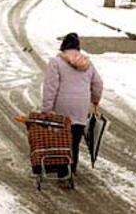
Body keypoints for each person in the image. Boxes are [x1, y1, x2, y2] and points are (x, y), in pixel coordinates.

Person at [41, 32, 103, 177]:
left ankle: (63, 172)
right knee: (74, 140)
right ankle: (72, 169)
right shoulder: (87, 63)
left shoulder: (56, 62)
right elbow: (98, 84)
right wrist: (95, 100)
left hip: (63, 106)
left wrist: (46, 109)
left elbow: (50, 87)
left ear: (63, 47)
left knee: (62, 139)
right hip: (81, 107)